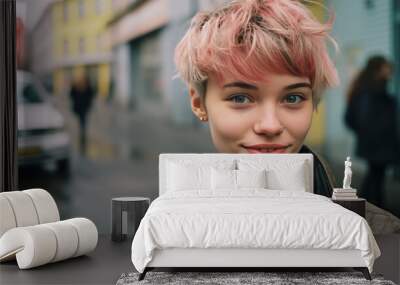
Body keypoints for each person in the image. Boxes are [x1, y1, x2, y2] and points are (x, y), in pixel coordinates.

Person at [174, 0, 339, 197]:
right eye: (241, 98)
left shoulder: (366, 226)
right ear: (199, 104)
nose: (270, 126)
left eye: (293, 98)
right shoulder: (169, 224)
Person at [344, 55, 399, 208]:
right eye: (386, 67)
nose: (390, 70)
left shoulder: (373, 88)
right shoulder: (371, 92)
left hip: (377, 143)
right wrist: (369, 134)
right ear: (378, 69)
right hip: (377, 144)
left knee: (375, 175)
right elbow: (359, 119)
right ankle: (372, 206)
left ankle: (367, 205)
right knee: (376, 176)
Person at [69, 72, 96, 156]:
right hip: (81, 107)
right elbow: (72, 94)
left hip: (82, 107)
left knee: (82, 120)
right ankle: (83, 131)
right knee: (82, 120)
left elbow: (91, 94)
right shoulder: (81, 86)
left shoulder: (85, 86)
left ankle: (82, 132)